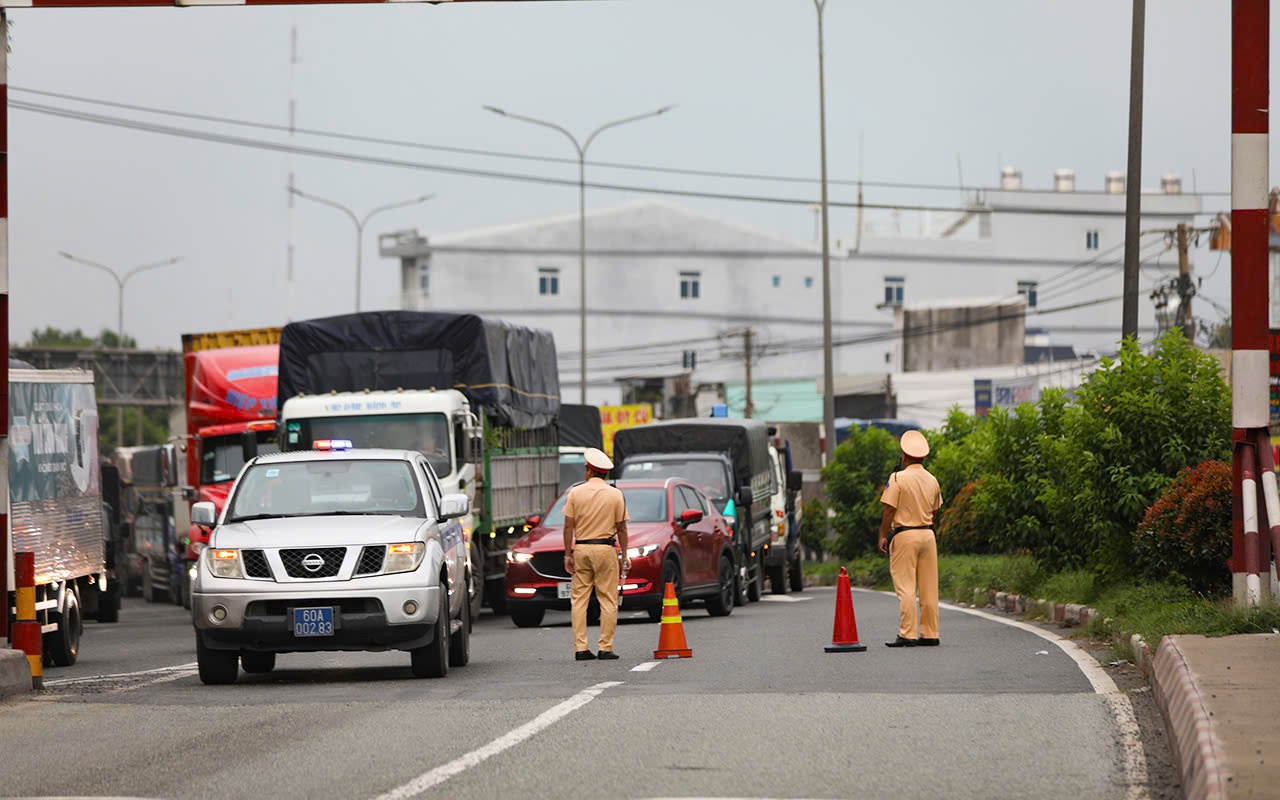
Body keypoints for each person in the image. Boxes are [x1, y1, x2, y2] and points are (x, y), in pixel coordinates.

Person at [562, 447, 630, 661]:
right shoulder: (615, 494)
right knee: (608, 599)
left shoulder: (575, 493)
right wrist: (625, 555)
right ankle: (605, 647)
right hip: (605, 549)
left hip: (582, 548)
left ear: (589, 470)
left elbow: (568, 527)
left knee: (579, 600)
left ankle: (580, 648)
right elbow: (622, 528)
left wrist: (567, 554)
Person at [877, 429, 943, 648]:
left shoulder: (897, 478)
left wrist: (882, 535)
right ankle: (930, 633)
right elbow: (935, 512)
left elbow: (889, 510)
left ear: (903, 456)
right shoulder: (932, 480)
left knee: (906, 587)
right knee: (929, 587)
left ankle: (907, 634)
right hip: (928, 534)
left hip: (905, 535)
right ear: (923, 457)